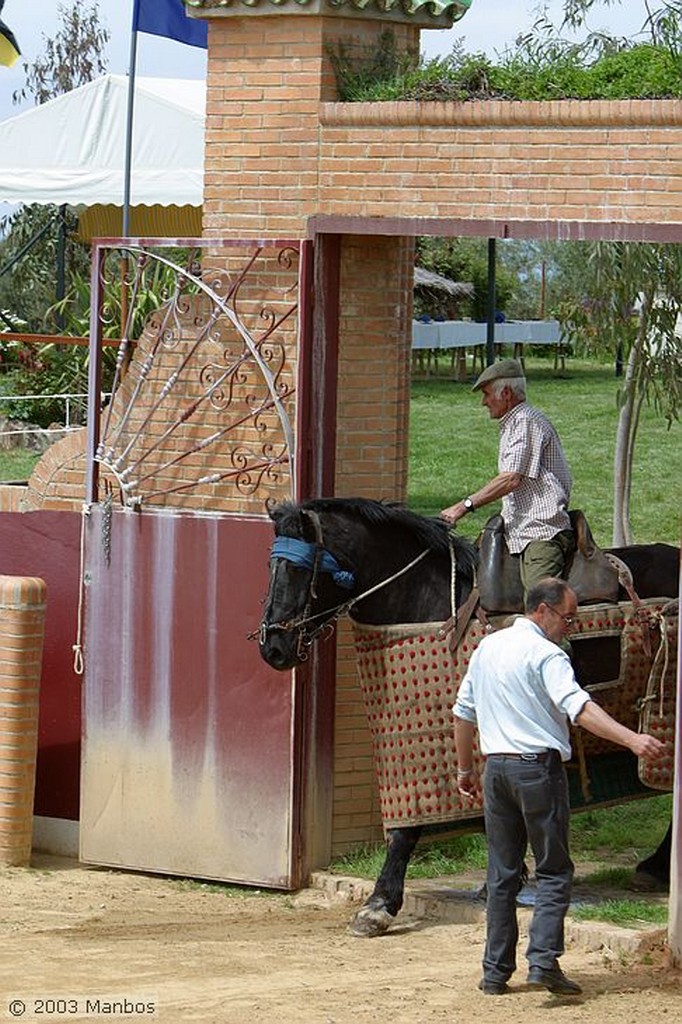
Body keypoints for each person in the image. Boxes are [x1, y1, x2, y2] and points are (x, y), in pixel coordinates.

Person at [453, 577, 666, 997]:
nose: (570, 626)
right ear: (542, 611)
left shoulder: (488, 647)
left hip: (496, 771)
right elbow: (581, 710)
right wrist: (633, 740)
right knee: (553, 870)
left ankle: (495, 973)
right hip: (537, 771)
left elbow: (462, 714)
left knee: (502, 874)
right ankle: (543, 962)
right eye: (567, 618)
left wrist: (465, 770)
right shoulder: (547, 655)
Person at [440, 358, 574, 595]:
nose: (484, 402)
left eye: (487, 394)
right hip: (521, 529)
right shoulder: (515, 422)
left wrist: (464, 506)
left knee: (540, 606)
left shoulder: (525, 420)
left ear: (507, 394)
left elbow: (511, 478)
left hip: (541, 532)